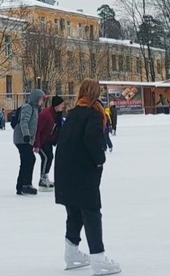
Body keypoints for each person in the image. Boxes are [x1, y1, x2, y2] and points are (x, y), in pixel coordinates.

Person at [55, 78, 121, 274]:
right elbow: (92, 139)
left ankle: (72, 252)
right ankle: (98, 258)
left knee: (74, 212)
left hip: (65, 170)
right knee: (91, 212)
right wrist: (100, 160)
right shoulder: (93, 113)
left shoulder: (73, 113)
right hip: (82, 172)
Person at [13, 89, 45, 195]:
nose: (42, 102)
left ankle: (21, 185)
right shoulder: (28, 107)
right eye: (41, 99)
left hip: (26, 139)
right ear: (36, 99)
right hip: (21, 138)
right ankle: (26, 184)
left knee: (27, 161)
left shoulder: (36, 109)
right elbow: (24, 121)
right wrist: (26, 134)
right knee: (29, 159)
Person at [35, 96, 63, 186]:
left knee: (49, 157)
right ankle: (43, 178)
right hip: (41, 140)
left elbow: (57, 129)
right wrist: (37, 145)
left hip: (48, 140)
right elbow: (38, 129)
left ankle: (45, 176)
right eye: (61, 104)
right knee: (46, 157)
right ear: (56, 105)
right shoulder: (46, 114)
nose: (63, 106)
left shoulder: (57, 114)